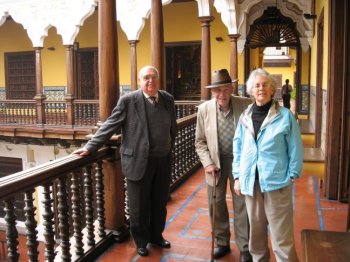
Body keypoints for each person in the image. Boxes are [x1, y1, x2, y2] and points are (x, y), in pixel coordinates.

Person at [74, 65, 177, 257]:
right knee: (138, 206)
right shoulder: (129, 101)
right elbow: (110, 124)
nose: (150, 81)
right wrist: (90, 146)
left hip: (163, 160)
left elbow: (172, 126)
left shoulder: (167, 99)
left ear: (158, 79)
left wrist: (170, 146)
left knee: (159, 202)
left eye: (154, 77)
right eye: (146, 78)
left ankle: (156, 236)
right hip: (138, 161)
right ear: (139, 81)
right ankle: (141, 241)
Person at [233, 68, 303, 262]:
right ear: (251, 90)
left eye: (265, 85)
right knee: (256, 237)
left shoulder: (285, 116)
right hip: (251, 184)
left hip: (276, 183)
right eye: (256, 85)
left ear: (273, 90)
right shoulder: (245, 116)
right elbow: (237, 147)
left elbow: (295, 147)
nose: (261, 88)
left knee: (281, 237)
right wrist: (237, 176)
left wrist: (292, 174)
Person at [195, 69, 252, 261]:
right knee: (216, 204)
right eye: (216, 90)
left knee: (242, 204)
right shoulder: (204, 110)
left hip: (240, 163)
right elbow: (200, 142)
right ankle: (222, 243)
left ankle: (244, 246)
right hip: (216, 165)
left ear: (231, 88)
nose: (221, 94)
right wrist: (208, 163)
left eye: (225, 89)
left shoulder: (245, 105)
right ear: (212, 92)